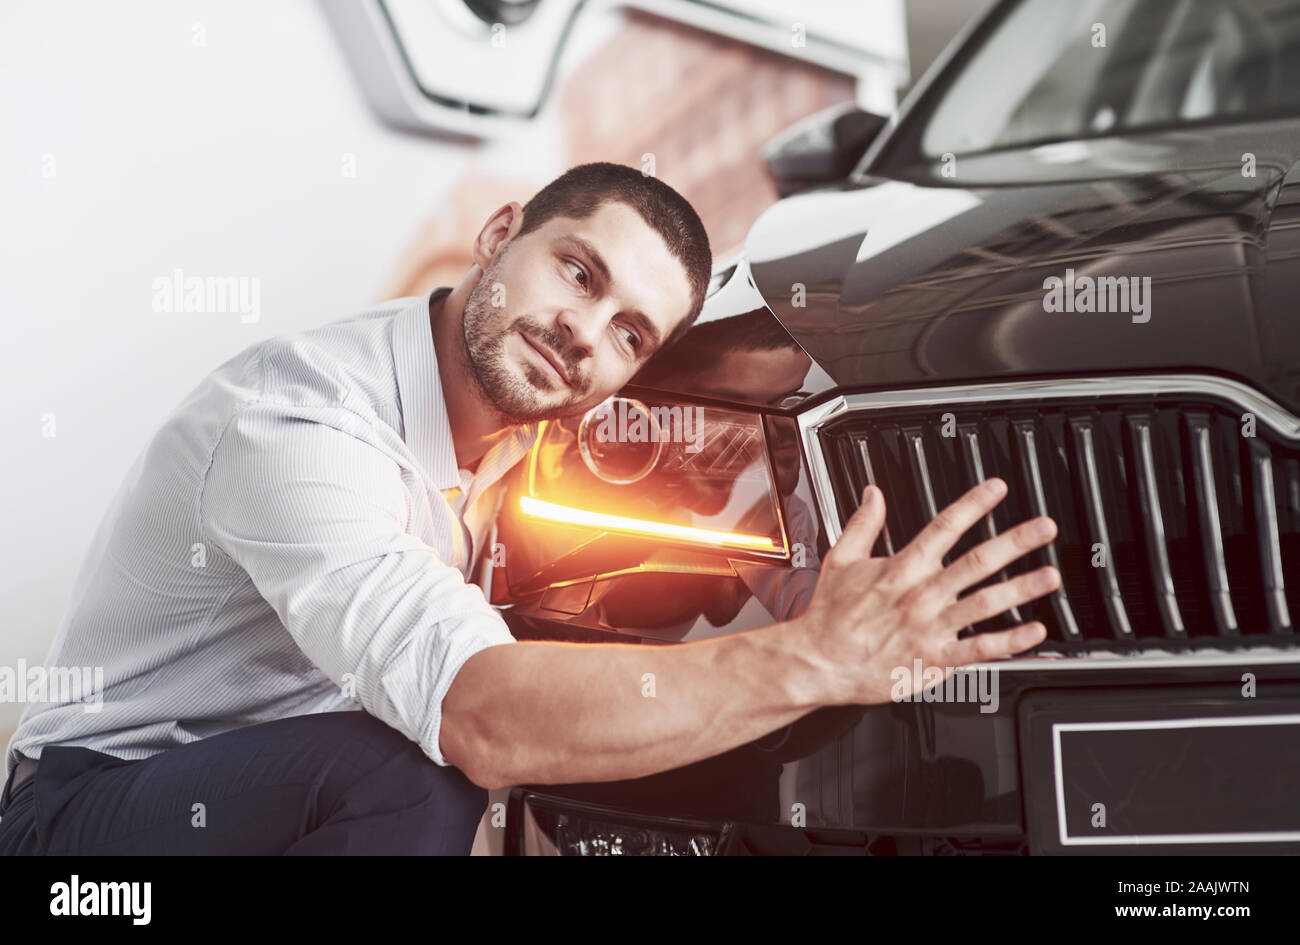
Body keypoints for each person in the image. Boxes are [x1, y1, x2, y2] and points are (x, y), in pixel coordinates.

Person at [0, 162, 1060, 855]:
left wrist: (807, 603)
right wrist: (820, 655)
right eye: (576, 270)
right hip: (88, 822)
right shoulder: (297, 424)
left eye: (631, 333)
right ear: (499, 234)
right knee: (418, 779)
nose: (584, 331)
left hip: (266, 794)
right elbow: (483, 720)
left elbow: (645, 596)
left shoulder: (535, 438)